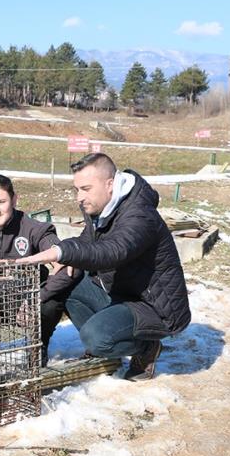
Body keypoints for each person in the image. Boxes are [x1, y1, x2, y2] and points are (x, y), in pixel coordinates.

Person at [16, 153, 190, 380]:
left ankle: (146, 349)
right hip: (123, 294)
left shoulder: (139, 215)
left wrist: (61, 251)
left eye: (85, 188)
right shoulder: (100, 207)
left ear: (110, 184)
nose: (79, 197)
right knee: (68, 280)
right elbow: (86, 241)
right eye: (76, 189)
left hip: (155, 306)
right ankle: (107, 343)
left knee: (96, 337)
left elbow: (114, 251)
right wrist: (67, 256)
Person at [0, 174, 78, 363]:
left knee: (51, 301)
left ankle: (38, 346)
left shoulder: (35, 229)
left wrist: (36, 298)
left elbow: (65, 265)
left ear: (14, 199)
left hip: (26, 301)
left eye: (0, 202)